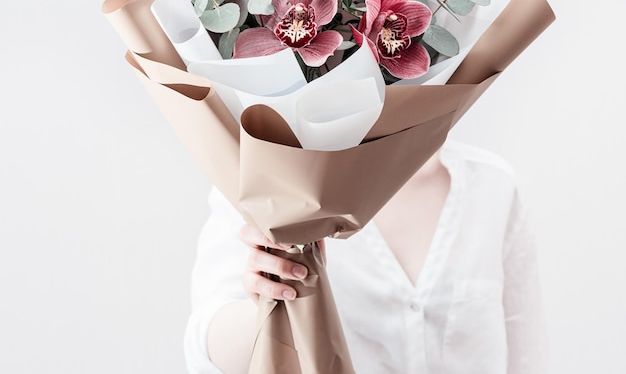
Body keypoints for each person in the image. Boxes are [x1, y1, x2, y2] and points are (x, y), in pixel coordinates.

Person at [183, 139, 549, 374]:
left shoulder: (494, 188)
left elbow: (528, 360)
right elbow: (205, 355)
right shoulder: (274, 188)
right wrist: (265, 303)